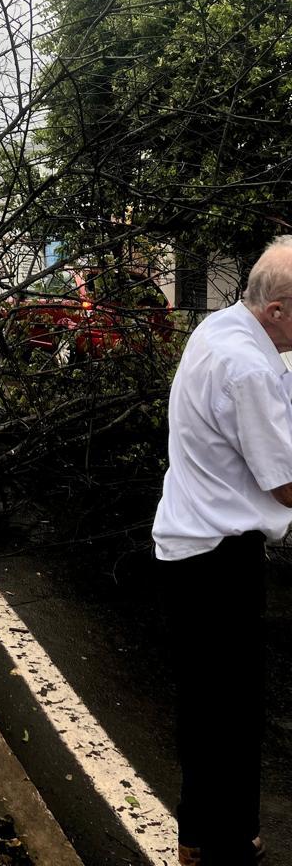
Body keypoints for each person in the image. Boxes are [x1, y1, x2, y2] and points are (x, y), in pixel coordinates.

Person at [153, 238, 292, 866]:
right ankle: (227, 844)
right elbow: (285, 483)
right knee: (231, 713)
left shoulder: (219, 328)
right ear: (279, 311)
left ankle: (199, 837)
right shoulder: (252, 367)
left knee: (206, 704)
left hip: (189, 543)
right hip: (220, 556)